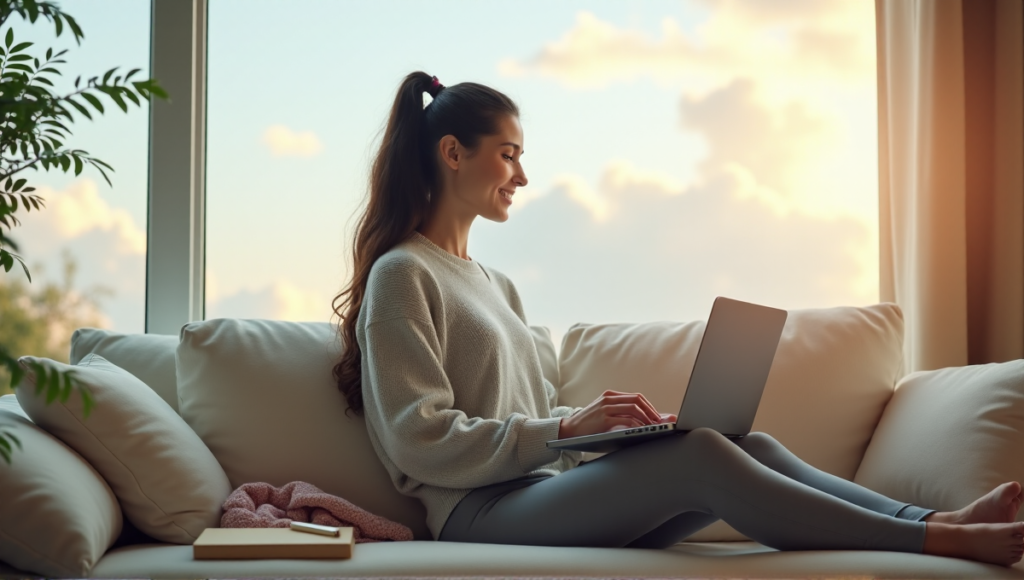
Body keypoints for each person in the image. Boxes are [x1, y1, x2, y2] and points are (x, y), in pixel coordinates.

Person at [332, 71, 1024, 567]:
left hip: (550, 496)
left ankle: (932, 519)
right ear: (452, 153)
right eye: (508, 154)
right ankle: (936, 544)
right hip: (475, 517)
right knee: (699, 457)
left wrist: (618, 435)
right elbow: (419, 438)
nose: (521, 175)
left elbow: (530, 418)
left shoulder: (498, 286)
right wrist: (566, 427)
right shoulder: (404, 275)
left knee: (731, 442)